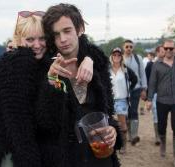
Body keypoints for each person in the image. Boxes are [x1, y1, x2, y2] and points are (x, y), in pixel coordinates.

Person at [0, 10, 95, 167]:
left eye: (42, 38)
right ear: (19, 39)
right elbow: (18, 125)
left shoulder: (43, 62)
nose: (37, 45)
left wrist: (89, 59)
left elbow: (79, 46)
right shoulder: (15, 64)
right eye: (30, 39)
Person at [37, 3, 122, 167]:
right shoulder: (44, 69)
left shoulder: (96, 65)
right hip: (66, 160)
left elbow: (106, 112)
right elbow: (44, 125)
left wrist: (112, 130)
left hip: (100, 159)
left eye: (67, 31)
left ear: (80, 29)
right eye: (56, 34)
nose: (62, 39)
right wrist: (51, 84)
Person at [146, 39, 175, 167]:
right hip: (161, 100)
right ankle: (162, 144)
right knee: (161, 127)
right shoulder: (157, 64)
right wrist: (150, 99)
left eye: (171, 49)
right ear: (163, 48)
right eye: (166, 48)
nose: (168, 51)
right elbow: (152, 83)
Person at [109, 47, 137, 154]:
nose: (116, 57)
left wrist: (129, 89)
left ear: (121, 57)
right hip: (110, 100)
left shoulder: (125, 69)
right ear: (112, 56)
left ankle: (124, 146)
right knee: (110, 124)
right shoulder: (108, 69)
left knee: (122, 125)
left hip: (122, 100)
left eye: (118, 55)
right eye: (114, 55)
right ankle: (113, 145)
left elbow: (134, 79)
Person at [122, 39, 147, 146]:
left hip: (136, 89)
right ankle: (128, 135)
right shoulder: (119, 58)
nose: (129, 49)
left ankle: (134, 136)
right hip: (123, 90)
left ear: (133, 48)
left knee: (134, 111)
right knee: (125, 112)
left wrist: (144, 88)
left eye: (131, 47)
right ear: (123, 47)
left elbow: (142, 74)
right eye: (127, 46)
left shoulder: (138, 58)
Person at [145, 46, 165, 146]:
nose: (165, 52)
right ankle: (157, 136)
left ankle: (162, 135)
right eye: (162, 51)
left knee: (163, 116)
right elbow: (148, 80)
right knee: (156, 115)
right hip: (155, 94)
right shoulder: (150, 65)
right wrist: (148, 96)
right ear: (157, 52)